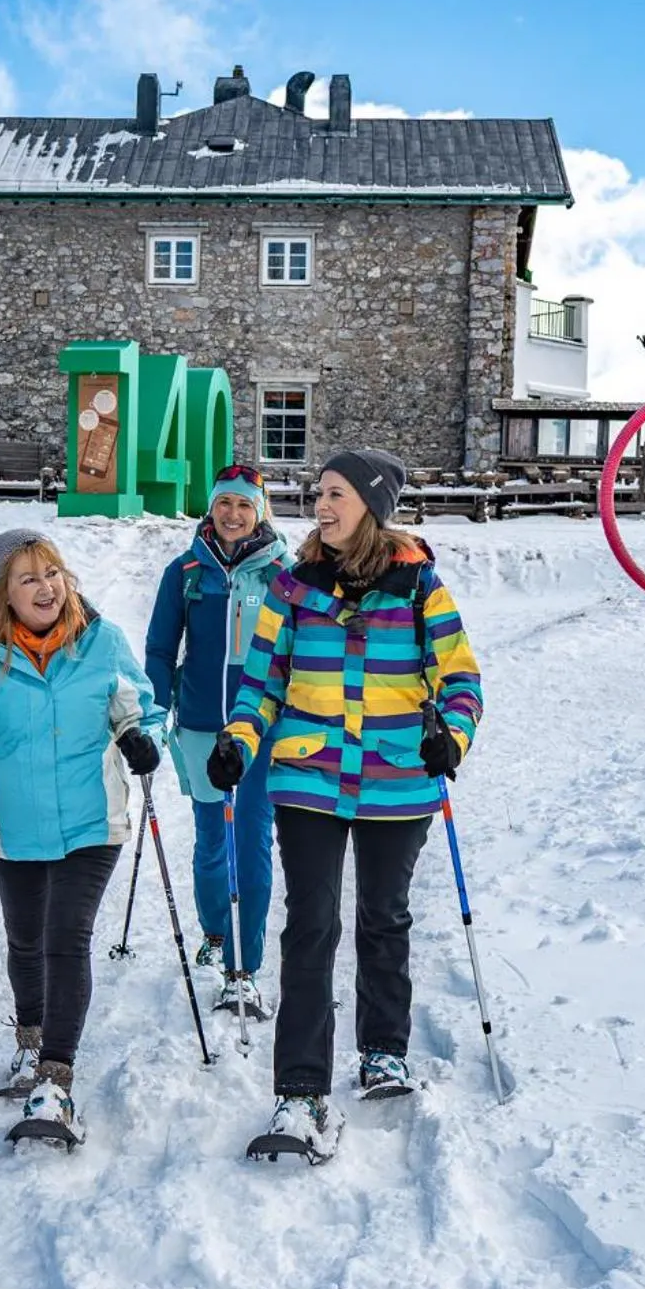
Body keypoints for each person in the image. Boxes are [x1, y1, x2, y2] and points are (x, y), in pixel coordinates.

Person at [208, 449, 483, 1161]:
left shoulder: (419, 584)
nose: (321, 505)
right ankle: (300, 1089)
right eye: (317, 493)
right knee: (311, 924)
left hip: (398, 779)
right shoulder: (293, 587)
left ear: (371, 503)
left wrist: (451, 736)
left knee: (383, 916)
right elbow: (260, 684)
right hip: (310, 778)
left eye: (335, 493)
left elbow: (460, 675)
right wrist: (239, 738)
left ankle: (383, 1050)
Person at [0, 529, 167, 1144]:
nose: (46, 587)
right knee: (25, 940)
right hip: (13, 825)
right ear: (4, 591)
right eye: (28, 578)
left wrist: (144, 740)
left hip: (92, 820)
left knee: (66, 937)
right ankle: (30, 1044)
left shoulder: (102, 641)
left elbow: (142, 710)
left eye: (53, 573)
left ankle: (56, 1079)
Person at [144, 463, 288, 1018]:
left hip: (262, 730)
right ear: (212, 508)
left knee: (252, 841)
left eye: (244, 506)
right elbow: (160, 649)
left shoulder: (283, 572)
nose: (232, 515)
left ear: (260, 513)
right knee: (211, 841)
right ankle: (215, 932)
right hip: (202, 725)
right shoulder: (184, 572)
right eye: (224, 503)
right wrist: (155, 713)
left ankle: (244, 968)